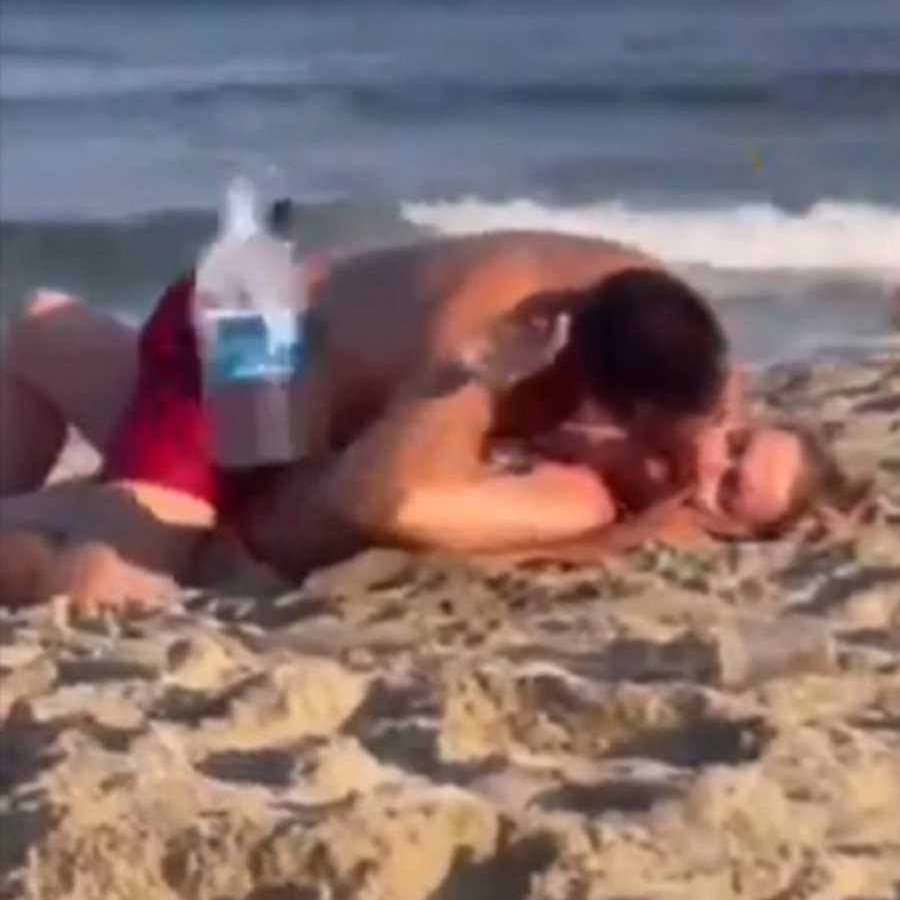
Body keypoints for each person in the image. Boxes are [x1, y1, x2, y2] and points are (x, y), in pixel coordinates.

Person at [0, 231, 860, 609]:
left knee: (150, 495)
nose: (705, 453)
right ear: (609, 397)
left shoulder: (677, 343)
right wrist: (477, 379)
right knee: (108, 594)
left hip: (298, 391)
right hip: (250, 349)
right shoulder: (488, 337)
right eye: (708, 445)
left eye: (727, 441)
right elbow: (381, 500)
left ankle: (48, 339)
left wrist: (810, 502)